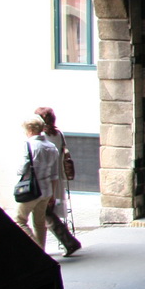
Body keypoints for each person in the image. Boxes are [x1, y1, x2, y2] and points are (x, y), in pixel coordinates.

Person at [34, 106, 82, 256]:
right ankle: (67, 243)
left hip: (47, 179)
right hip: (58, 177)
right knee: (47, 213)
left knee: (45, 213)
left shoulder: (42, 137)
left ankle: (68, 243)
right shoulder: (58, 134)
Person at [15, 116, 62, 251]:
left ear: (29, 130)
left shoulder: (29, 145)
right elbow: (55, 173)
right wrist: (52, 194)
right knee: (39, 223)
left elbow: (22, 169)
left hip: (32, 189)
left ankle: (37, 249)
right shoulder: (51, 146)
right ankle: (41, 251)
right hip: (46, 189)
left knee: (19, 220)